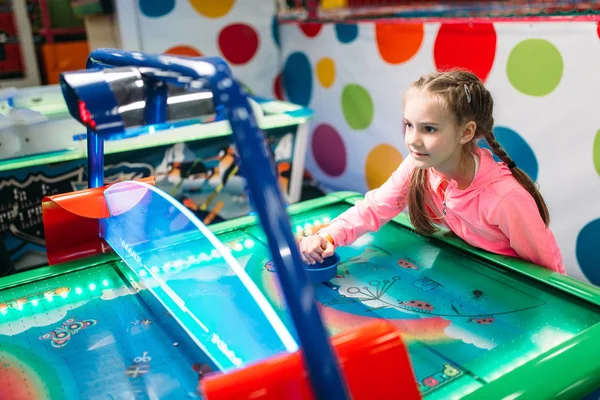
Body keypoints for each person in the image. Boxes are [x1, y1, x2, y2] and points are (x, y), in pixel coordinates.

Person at [299, 69, 565, 274]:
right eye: (409, 125)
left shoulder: (506, 198)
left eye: (429, 129)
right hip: (467, 274)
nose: (413, 140)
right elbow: (374, 208)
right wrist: (327, 235)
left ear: (466, 132)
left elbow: (550, 273)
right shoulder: (419, 167)